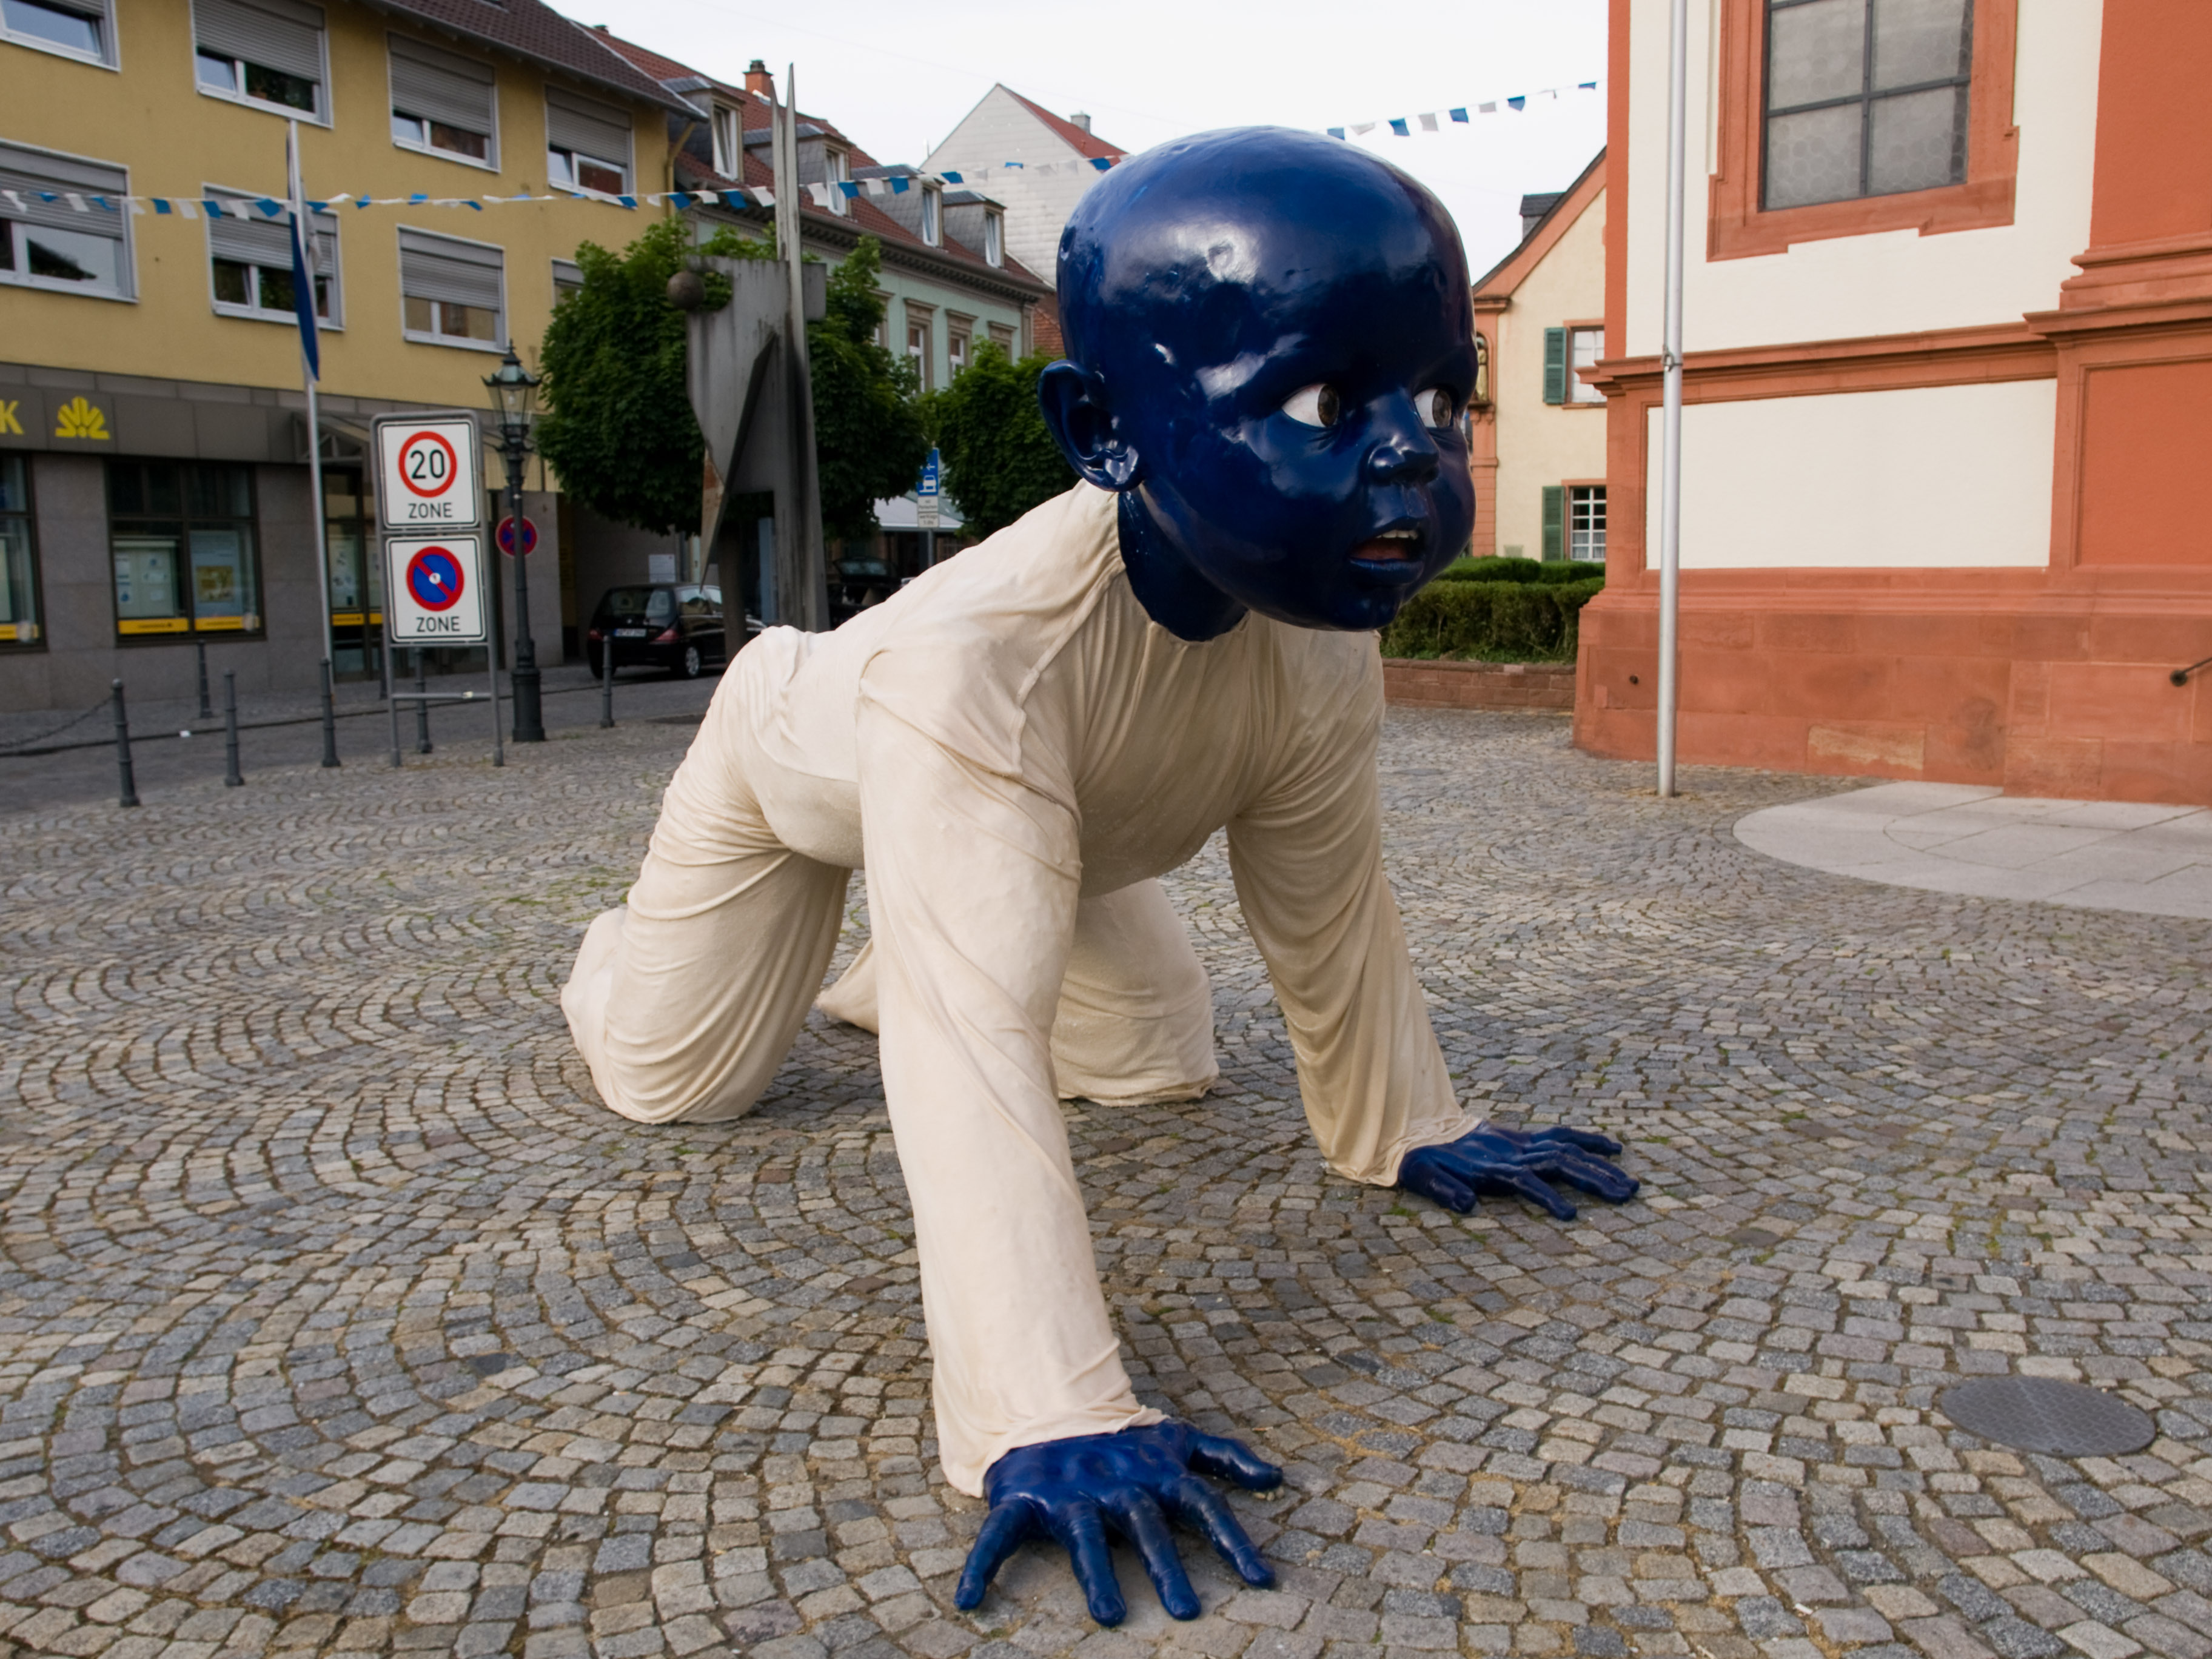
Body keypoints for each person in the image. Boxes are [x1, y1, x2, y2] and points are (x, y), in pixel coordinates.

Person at [560, 126, 1637, 1628]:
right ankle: (618, 955)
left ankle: (901, 951)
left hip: (1072, 823)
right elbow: (973, 1054)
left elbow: (1331, 905)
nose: (1412, 453)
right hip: (805, 768)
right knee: (678, 1078)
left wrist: (1408, 1125)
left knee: (1151, 1058)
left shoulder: (1320, 636)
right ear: (1102, 429)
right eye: (1328, 406)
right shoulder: (977, 664)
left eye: (1443, 400)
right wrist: (1049, 1409)